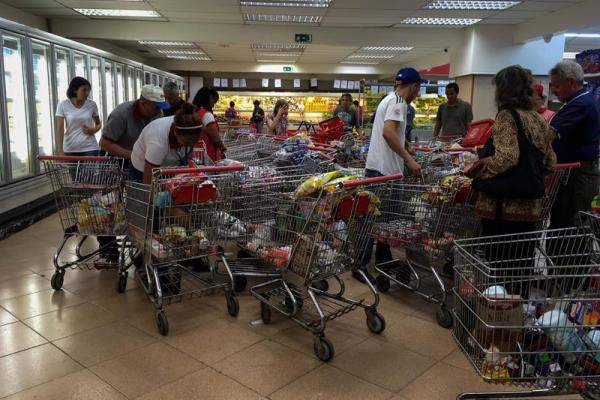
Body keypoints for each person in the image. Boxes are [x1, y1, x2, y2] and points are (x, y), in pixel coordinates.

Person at [357, 67, 427, 283]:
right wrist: (408, 159)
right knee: (375, 221)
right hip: (385, 171)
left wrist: (405, 145)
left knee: (384, 220)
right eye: (418, 88)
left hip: (379, 167)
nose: (418, 93)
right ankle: (360, 265)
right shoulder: (398, 102)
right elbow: (388, 132)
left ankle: (383, 257)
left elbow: (390, 131)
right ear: (414, 86)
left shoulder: (389, 99)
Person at [548, 61, 600, 229]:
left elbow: (548, 135)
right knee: (563, 222)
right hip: (573, 173)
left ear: (570, 82)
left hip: (577, 175)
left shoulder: (580, 104)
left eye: (556, 85)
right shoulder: (577, 101)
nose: (553, 90)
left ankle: (565, 256)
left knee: (569, 225)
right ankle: (559, 255)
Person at [130, 103, 203, 184]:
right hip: (142, 169)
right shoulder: (158, 141)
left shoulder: (184, 123)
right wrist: (147, 195)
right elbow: (149, 175)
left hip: (169, 166)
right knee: (145, 194)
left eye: (194, 142)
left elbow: (189, 155)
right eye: (186, 143)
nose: (190, 145)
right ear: (175, 132)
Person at [100, 85, 169, 160]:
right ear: (142, 103)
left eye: (161, 107)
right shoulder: (121, 114)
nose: (159, 111)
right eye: (156, 107)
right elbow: (105, 144)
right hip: (120, 161)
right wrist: (134, 155)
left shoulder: (157, 113)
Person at [55, 77, 102, 156]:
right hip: (70, 148)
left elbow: (98, 124)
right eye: (84, 90)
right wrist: (60, 151)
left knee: (90, 169)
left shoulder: (92, 104)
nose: (87, 93)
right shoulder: (63, 104)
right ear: (74, 90)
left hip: (90, 147)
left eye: (88, 91)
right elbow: (60, 129)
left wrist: (93, 130)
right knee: (72, 168)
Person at [192, 87, 226, 163]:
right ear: (210, 97)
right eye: (214, 101)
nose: (213, 105)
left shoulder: (194, 112)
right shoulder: (207, 115)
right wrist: (223, 147)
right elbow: (216, 138)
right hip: (207, 154)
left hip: (196, 153)